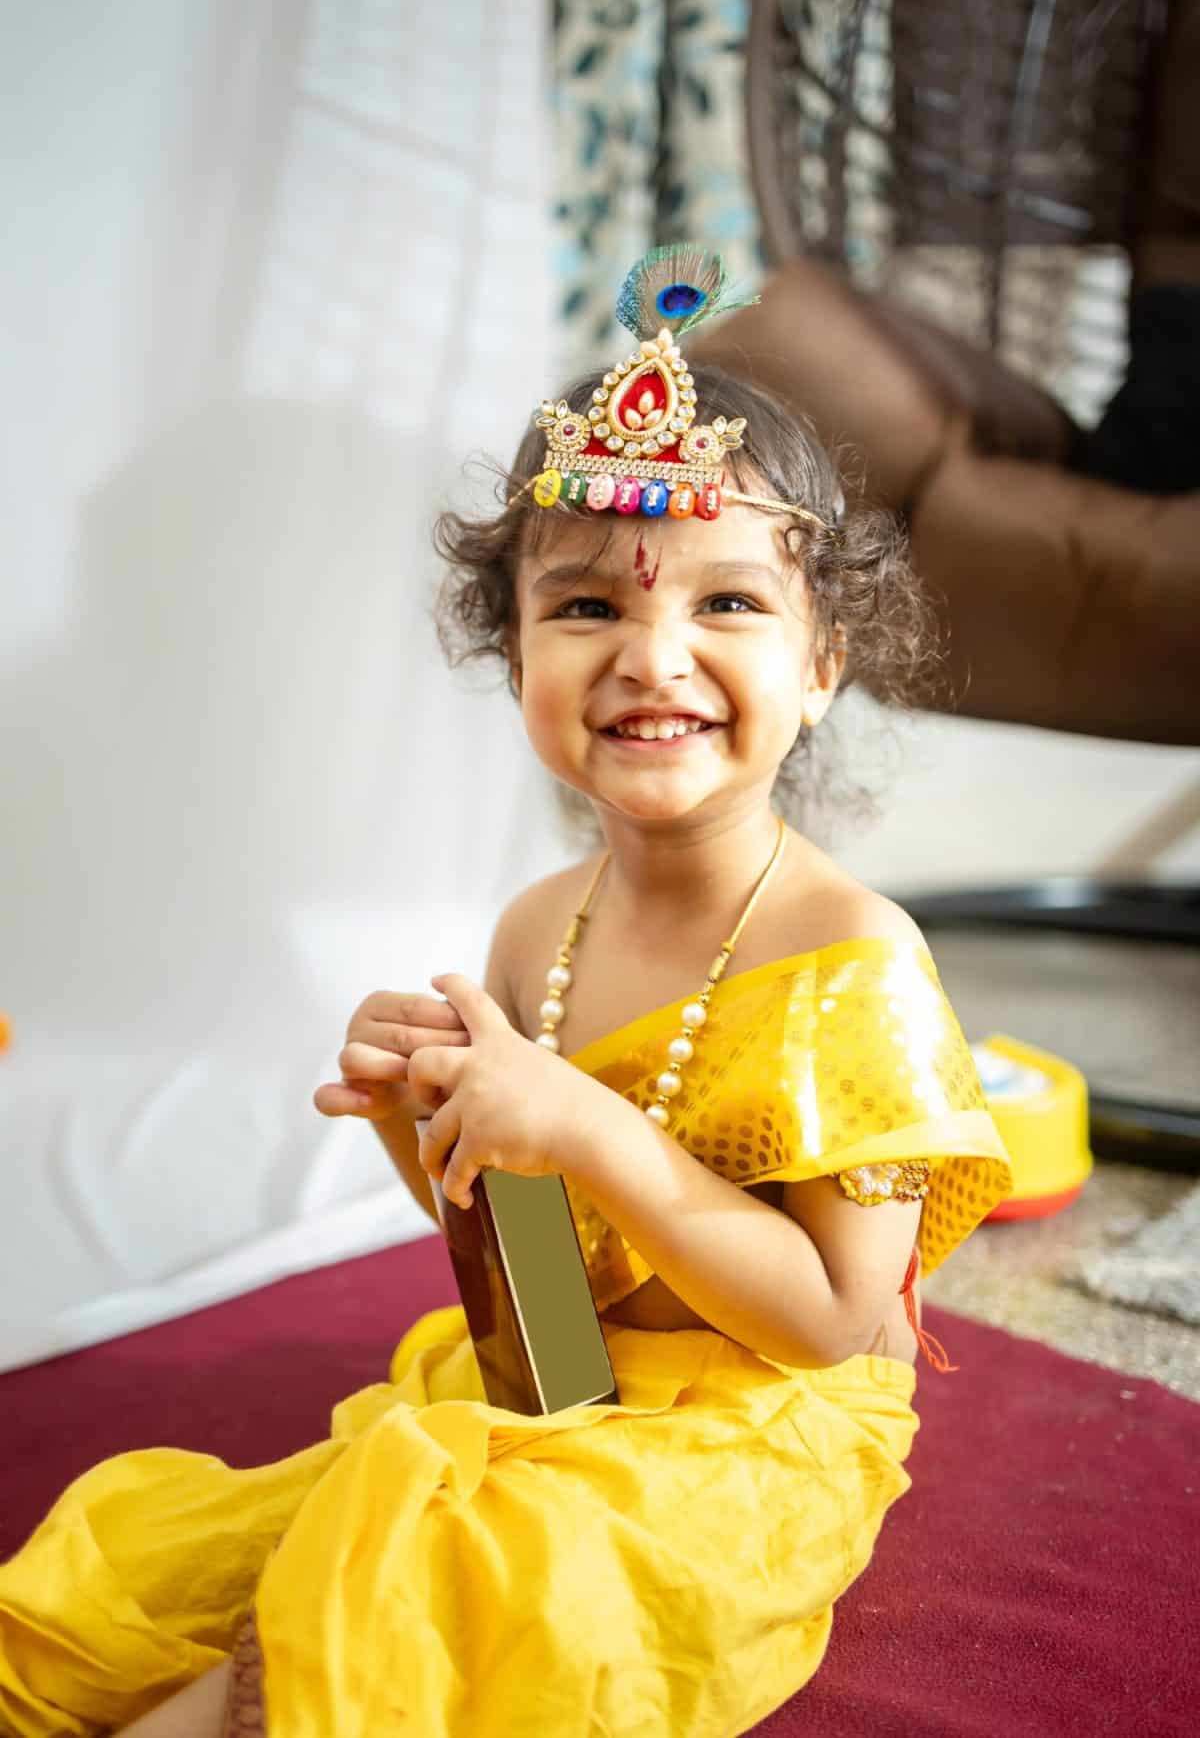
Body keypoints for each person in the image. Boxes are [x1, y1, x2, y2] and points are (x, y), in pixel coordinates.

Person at [0, 250, 1011, 1738]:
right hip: (566, 1386)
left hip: (752, 1439)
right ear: (515, 646)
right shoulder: (543, 924)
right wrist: (434, 1127)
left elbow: (832, 1324)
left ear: (823, 665)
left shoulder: (850, 962)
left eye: (728, 603)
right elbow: (542, 1273)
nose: (651, 655)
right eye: (587, 605)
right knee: (171, 1587)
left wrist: (592, 1134)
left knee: (426, 1591)